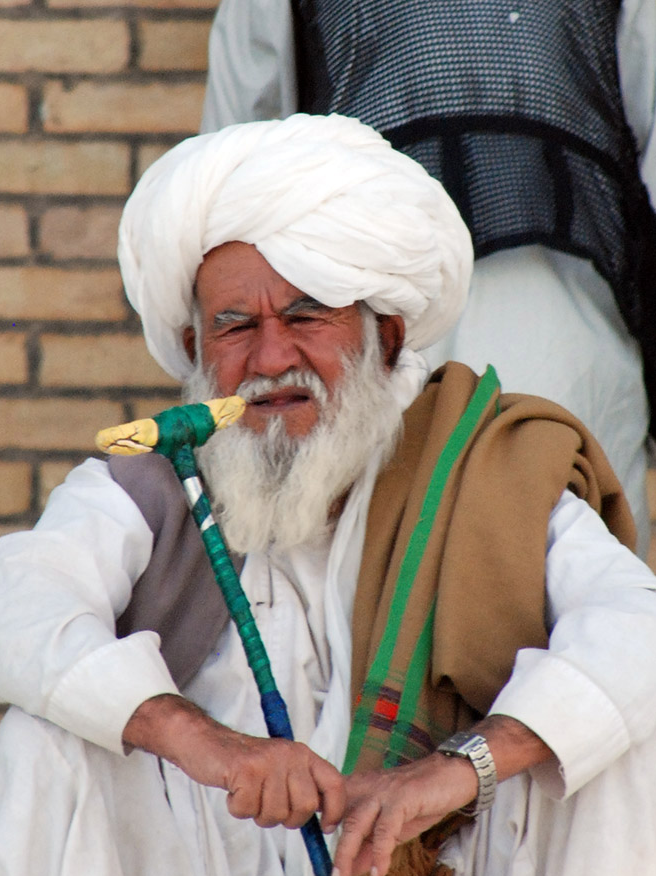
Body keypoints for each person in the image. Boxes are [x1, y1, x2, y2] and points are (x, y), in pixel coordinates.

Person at [0, 114, 656, 876]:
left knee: (615, 744)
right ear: (195, 351)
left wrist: (456, 770)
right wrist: (208, 744)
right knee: (47, 742)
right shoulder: (158, 479)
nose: (271, 358)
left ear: (385, 335)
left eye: (306, 314)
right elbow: (15, 603)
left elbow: (637, 630)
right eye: (234, 326)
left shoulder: (488, 467)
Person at [200, 0, 656, 558]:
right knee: (372, 593)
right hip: (365, 354)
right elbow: (234, 181)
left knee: (573, 572)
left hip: (567, 336)